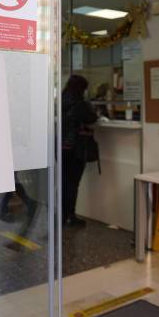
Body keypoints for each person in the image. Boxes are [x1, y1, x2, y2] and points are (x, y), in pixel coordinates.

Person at [62, 75, 98, 227]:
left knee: (64, 182)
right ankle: (71, 215)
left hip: (62, 147)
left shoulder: (62, 100)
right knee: (73, 184)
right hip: (76, 149)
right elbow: (92, 119)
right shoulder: (80, 103)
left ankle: (62, 215)